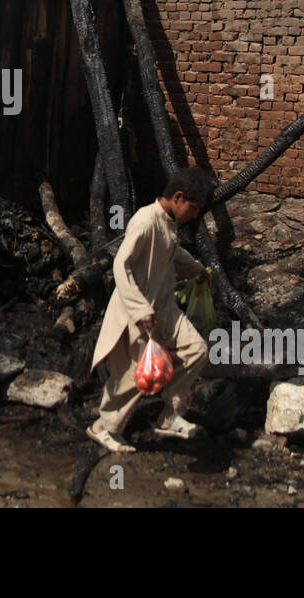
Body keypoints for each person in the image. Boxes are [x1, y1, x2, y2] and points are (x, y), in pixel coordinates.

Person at [87, 167, 215, 453]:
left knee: (196, 350)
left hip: (164, 307)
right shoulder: (145, 221)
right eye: (193, 208)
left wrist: (196, 269)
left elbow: (171, 252)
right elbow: (122, 263)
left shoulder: (168, 222)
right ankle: (103, 427)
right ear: (178, 197)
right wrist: (140, 309)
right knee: (136, 374)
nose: (195, 216)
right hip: (138, 314)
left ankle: (170, 416)